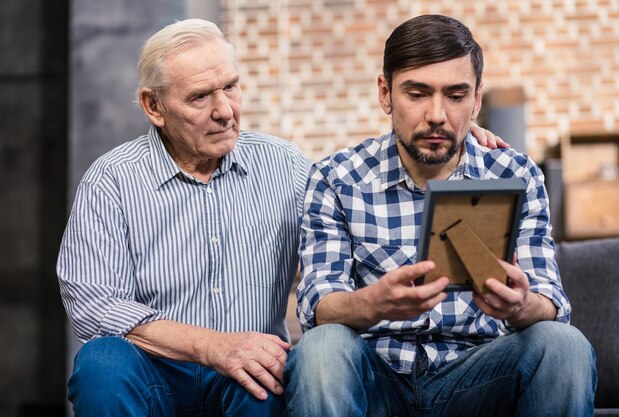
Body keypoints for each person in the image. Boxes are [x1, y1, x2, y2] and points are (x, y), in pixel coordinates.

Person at [57, 18, 507, 417]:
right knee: (101, 364)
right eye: (199, 97)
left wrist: (452, 135)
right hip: (151, 371)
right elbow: (94, 306)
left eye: (230, 87)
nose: (224, 111)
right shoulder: (111, 180)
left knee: (272, 376)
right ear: (154, 106)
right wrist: (213, 346)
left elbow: (358, 193)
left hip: (248, 378)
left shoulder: (286, 165)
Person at [284, 14, 596, 417]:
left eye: (455, 95)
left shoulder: (515, 175)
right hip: (376, 377)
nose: (436, 115)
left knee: (563, 343)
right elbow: (317, 304)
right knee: (322, 348)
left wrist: (519, 305)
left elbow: (552, 302)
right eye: (417, 94)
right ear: (385, 93)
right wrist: (372, 303)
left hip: (480, 376)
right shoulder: (336, 177)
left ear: (476, 100)